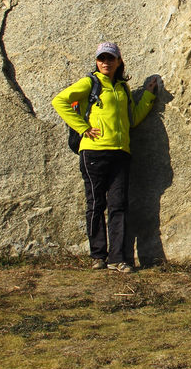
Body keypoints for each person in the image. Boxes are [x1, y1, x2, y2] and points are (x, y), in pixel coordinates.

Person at [52, 41, 161, 273]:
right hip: (94, 151)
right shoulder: (89, 83)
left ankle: (117, 258)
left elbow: (131, 120)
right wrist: (83, 128)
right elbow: (59, 101)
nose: (105, 62)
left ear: (119, 61)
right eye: (101, 58)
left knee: (118, 206)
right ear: (96, 61)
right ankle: (98, 255)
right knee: (96, 204)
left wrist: (149, 97)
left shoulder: (122, 89)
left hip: (120, 152)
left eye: (110, 58)